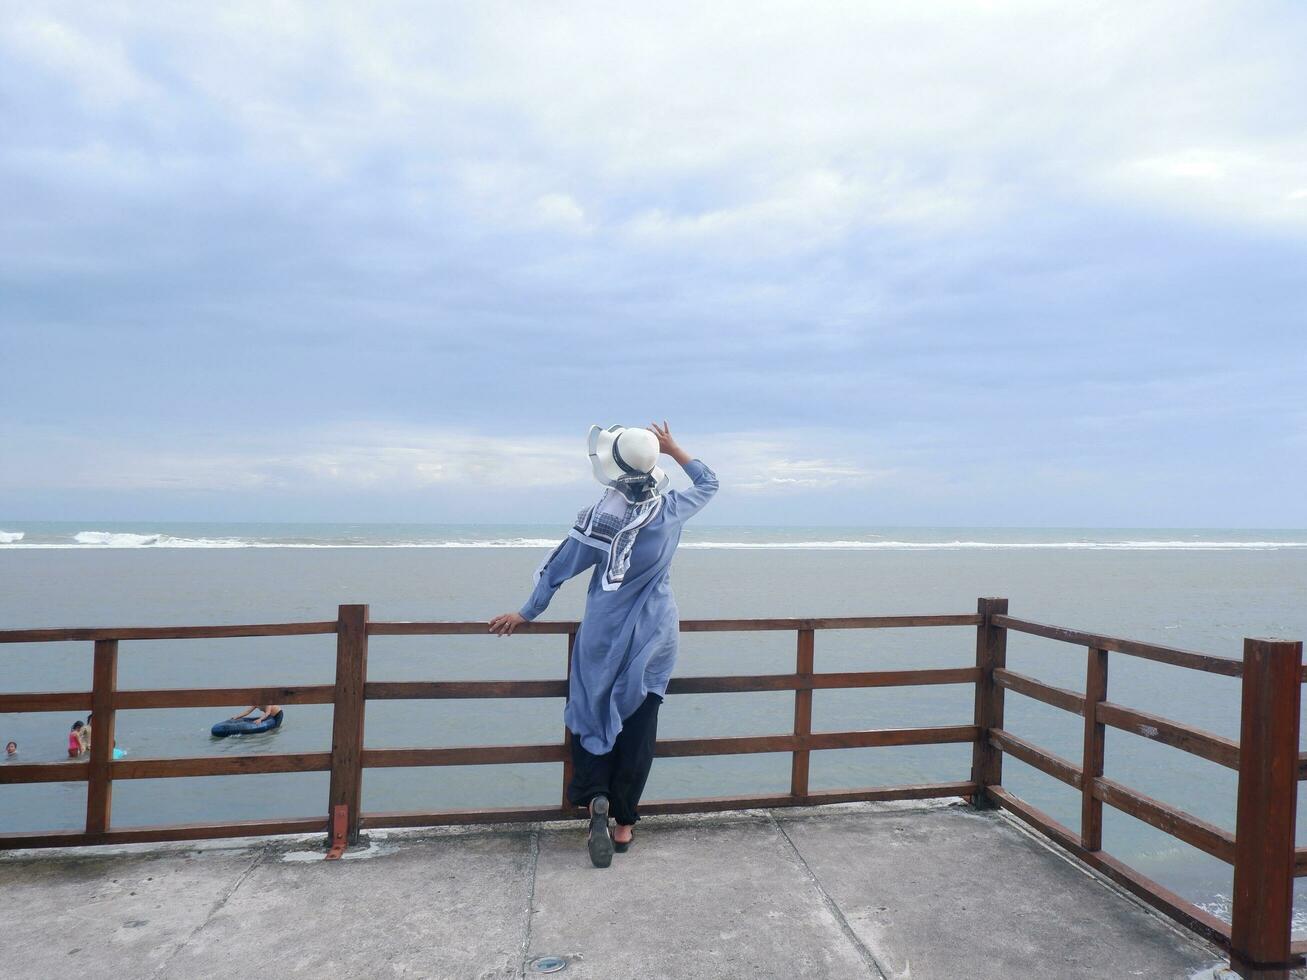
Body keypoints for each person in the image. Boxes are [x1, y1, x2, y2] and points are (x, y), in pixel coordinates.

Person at [489, 421, 718, 868]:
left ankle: (594, 796)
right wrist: (673, 448)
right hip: (655, 635)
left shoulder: (602, 518)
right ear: (653, 466)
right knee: (639, 721)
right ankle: (625, 823)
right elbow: (710, 481)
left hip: (603, 633)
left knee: (590, 712)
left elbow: (559, 567)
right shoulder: (671, 508)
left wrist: (527, 612)